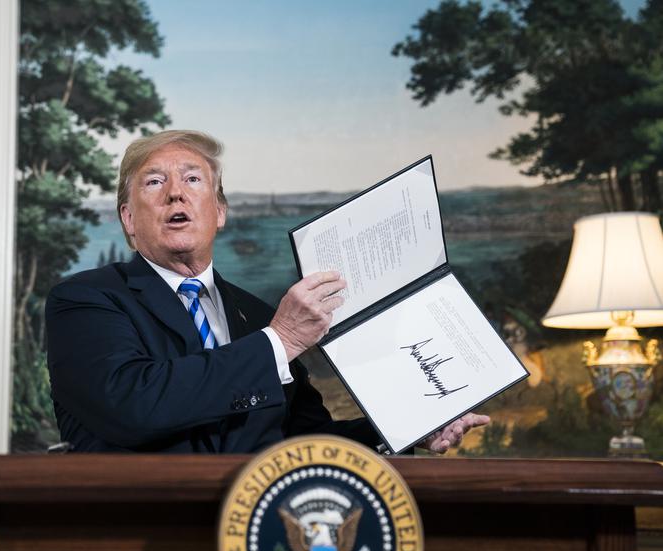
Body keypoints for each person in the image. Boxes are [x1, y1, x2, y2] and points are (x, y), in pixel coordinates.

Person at [46, 130, 488, 453]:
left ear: (219, 212)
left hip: (255, 536)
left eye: (193, 180)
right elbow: (134, 405)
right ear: (127, 218)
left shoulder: (258, 316)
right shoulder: (85, 300)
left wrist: (404, 428)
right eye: (155, 182)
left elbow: (302, 442)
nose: (176, 193)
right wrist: (282, 341)